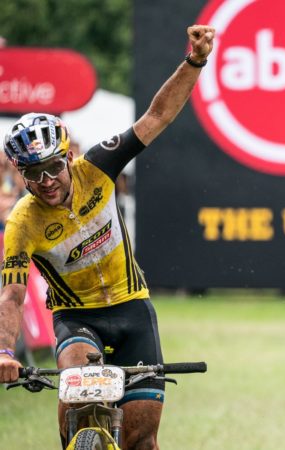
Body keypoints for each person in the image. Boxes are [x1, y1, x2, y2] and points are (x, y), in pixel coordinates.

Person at [0, 24, 215, 449]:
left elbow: (157, 117)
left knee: (142, 441)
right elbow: (12, 295)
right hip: (77, 317)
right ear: (19, 174)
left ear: (69, 157)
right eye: (33, 174)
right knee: (83, 401)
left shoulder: (98, 166)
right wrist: (5, 351)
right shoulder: (22, 221)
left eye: (53, 167)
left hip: (133, 309)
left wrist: (195, 61)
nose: (46, 181)